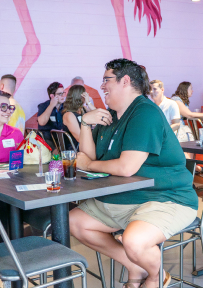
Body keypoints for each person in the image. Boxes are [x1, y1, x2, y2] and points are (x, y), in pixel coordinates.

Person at [69, 59, 198, 288]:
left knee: (135, 241)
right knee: (74, 222)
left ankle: (155, 277)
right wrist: (86, 124)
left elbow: (125, 168)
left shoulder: (144, 113)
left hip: (164, 199)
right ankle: (134, 265)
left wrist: (89, 165)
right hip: (121, 198)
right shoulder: (110, 115)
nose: (102, 86)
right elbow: (86, 158)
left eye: (106, 80)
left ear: (125, 81)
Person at [171, 81, 203, 174]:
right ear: (185, 89)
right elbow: (189, 115)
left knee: (190, 147)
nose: (192, 91)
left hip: (183, 128)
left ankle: (193, 169)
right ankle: (195, 168)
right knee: (185, 149)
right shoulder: (176, 100)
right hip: (178, 129)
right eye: (191, 88)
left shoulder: (182, 101)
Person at [37, 82, 66, 152]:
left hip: (63, 138)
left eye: (63, 93)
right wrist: (51, 105)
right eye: (60, 94)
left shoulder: (66, 106)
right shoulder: (43, 106)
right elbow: (41, 122)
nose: (63, 96)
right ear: (52, 96)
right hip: (47, 138)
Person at [62, 85, 86, 150]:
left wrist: (88, 103)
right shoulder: (69, 115)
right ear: (80, 97)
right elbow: (79, 138)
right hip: (74, 149)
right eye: (85, 94)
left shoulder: (83, 109)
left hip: (85, 145)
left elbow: (97, 115)